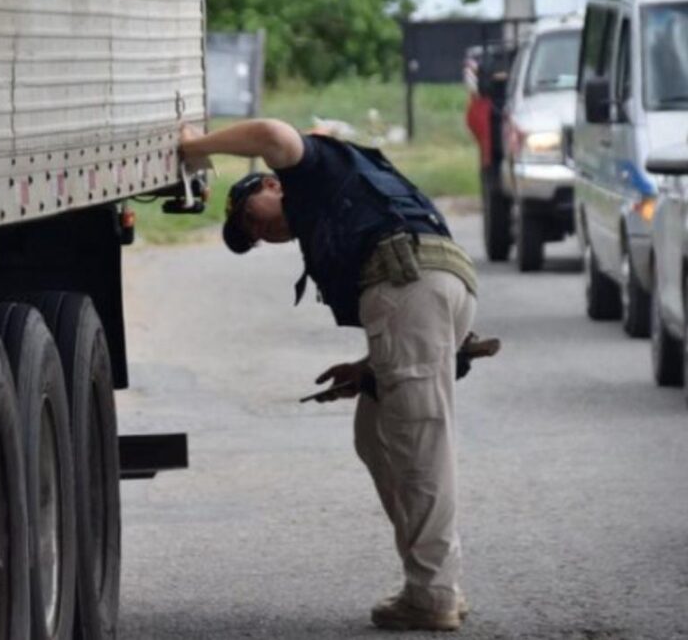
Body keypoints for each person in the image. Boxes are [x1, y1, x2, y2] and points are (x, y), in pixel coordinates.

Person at [179, 119, 479, 632]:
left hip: (415, 286)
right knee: (376, 435)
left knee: (418, 443)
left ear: (272, 186)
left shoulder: (309, 170)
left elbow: (273, 135)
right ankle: (432, 578)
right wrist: (367, 368)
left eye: (251, 216)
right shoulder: (329, 194)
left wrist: (192, 148)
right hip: (434, 288)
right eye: (251, 237)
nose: (260, 232)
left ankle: (433, 591)